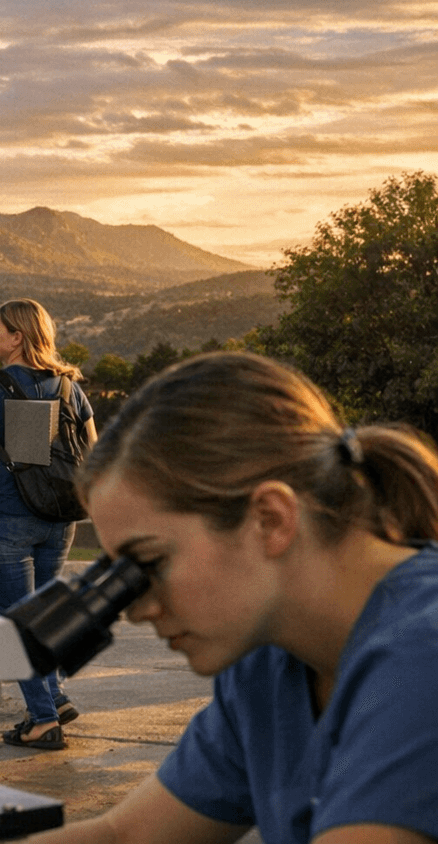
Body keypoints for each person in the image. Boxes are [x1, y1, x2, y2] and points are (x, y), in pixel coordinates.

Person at [31, 351, 438, 844]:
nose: (136, 610)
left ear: (270, 518)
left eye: (150, 564)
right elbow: (124, 836)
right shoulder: (270, 665)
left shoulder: (423, 652)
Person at [0, 299, 97, 750]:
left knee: (18, 623)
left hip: (6, 517)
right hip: (59, 518)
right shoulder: (69, 387)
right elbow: (93, 453)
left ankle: (42, 720)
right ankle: (54, 695)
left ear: (17, 337)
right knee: (42, 616)